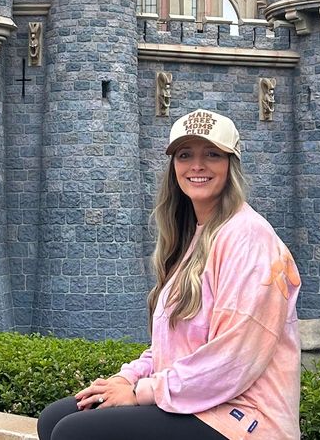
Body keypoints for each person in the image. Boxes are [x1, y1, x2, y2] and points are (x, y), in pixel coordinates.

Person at [37, 109, 302, 440]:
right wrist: (127, 378)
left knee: (76, 433)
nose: (197, 165)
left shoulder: (249, 237)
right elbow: (169, 348)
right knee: (54, 419)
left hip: (243, 416)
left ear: (231, 164)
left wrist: (140, 392)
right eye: (185, 154)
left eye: (212, 155)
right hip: (195, 401)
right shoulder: (194, 237)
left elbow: (234, 358)